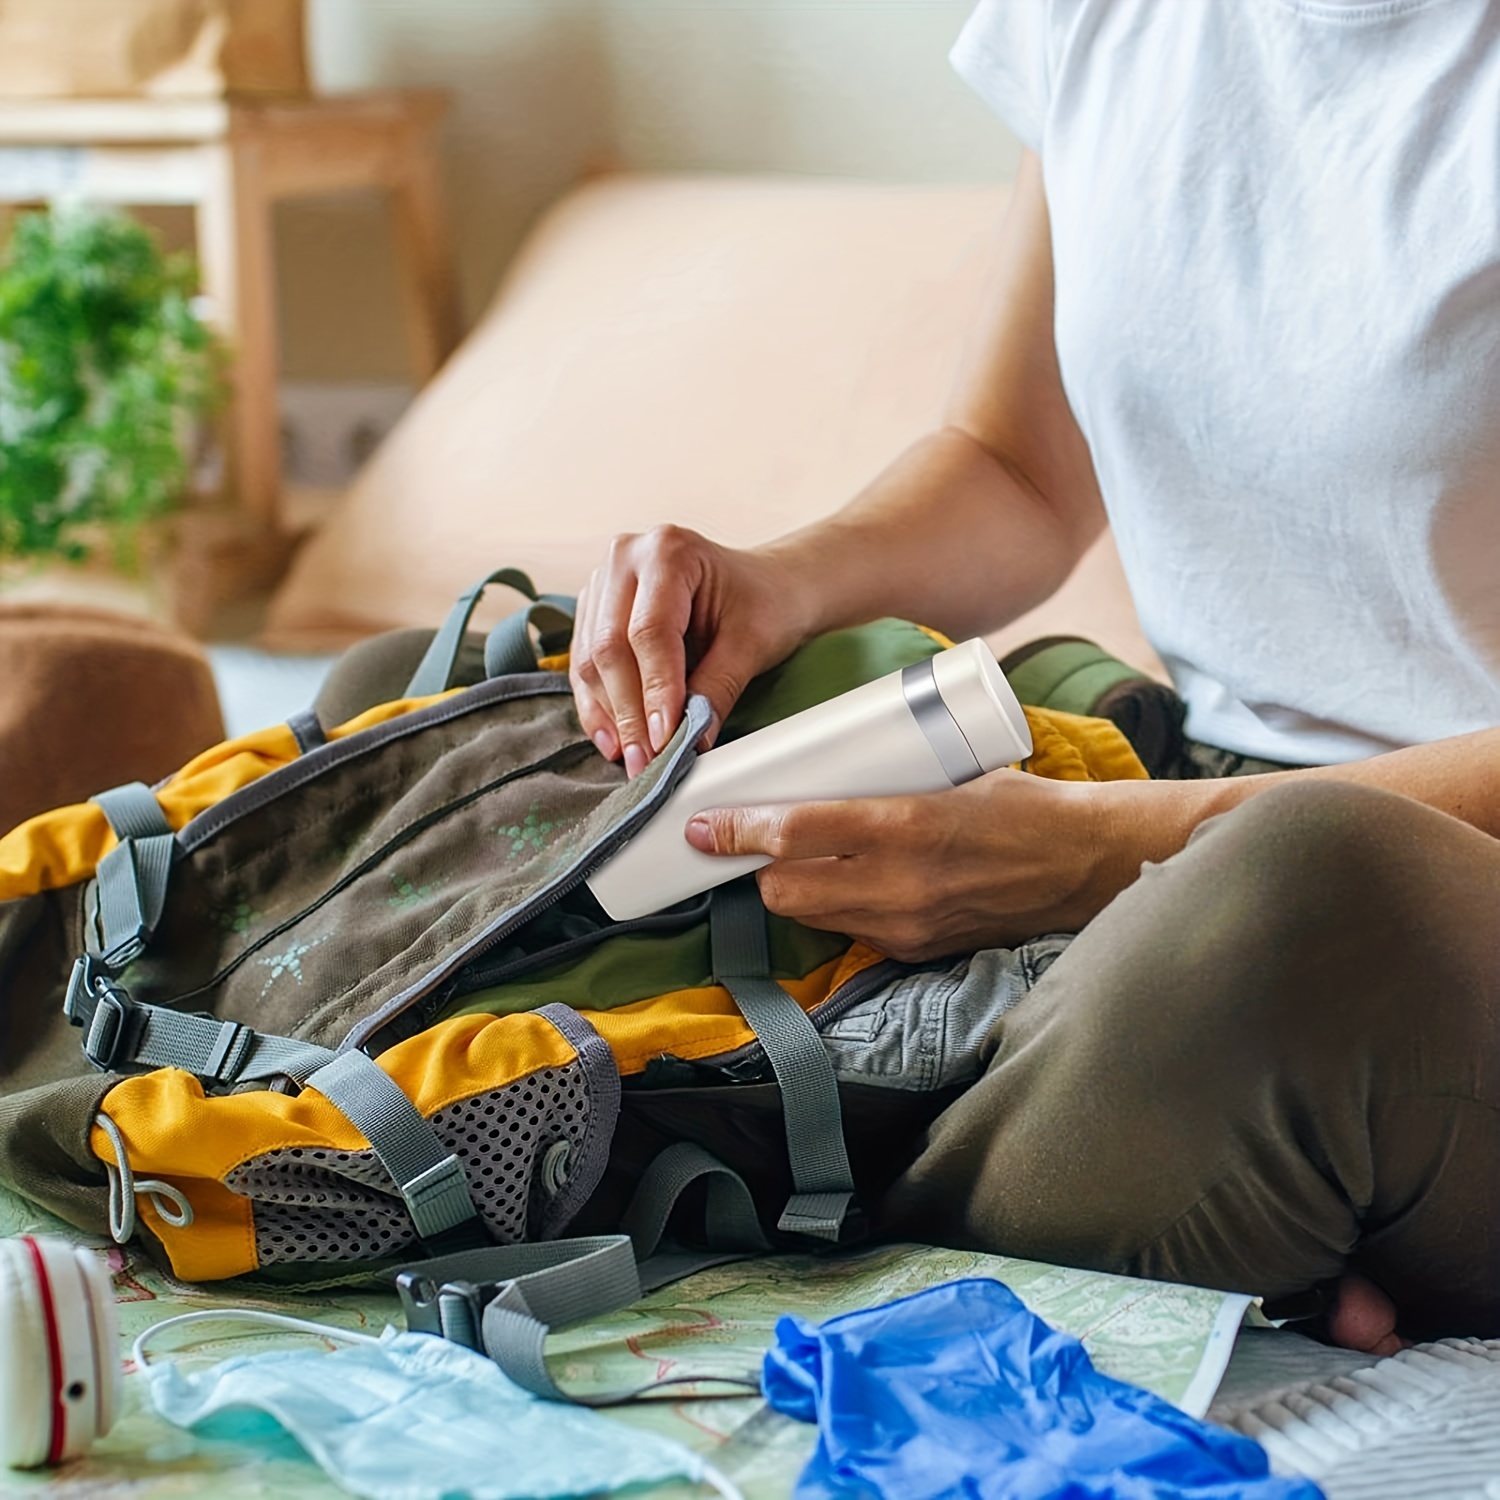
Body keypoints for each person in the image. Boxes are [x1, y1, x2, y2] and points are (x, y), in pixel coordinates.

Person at [566, 0, 1500, 1356]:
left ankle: (752, 1220)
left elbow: (1274, 874)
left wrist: (1103, 860)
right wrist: (776, 584)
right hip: (1204, 808)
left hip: (1375, 890)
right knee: (543, 703)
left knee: (1305, 900)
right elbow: (1015, 465)